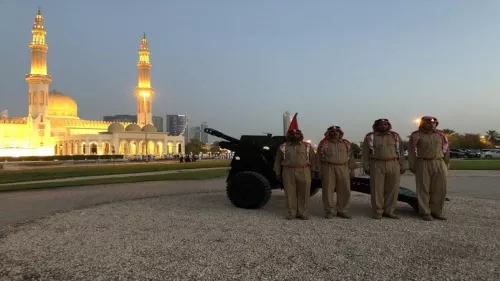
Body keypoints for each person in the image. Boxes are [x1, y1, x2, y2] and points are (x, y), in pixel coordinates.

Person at [273, 113, 316, 220]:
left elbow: (313, 159)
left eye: (297, 133)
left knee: (304, 193)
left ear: (301, 135)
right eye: (292, 133)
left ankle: (303, 212)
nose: (294, 135)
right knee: (290, 193)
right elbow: (278, 161)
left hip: (304, 170)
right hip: (288, 171)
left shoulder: (307, 146)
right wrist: (277, 172)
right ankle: (291, 212)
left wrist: (314, 170)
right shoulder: (283, 147)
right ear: (288, 136)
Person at [408, 116, 450, 221]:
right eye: (429, 123)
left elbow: (446, 150)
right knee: (423, 189)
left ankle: (437, 212)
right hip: (423, 162)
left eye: (434, 123)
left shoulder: (441, 134)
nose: (432, 125)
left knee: (440, 189)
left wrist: (446, 164)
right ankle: (425, 212)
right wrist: (412, 165)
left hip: (439, 162)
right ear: (422, 124)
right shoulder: (416, 135)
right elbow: (412, 151)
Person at [362, 119, 405, 220]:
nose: (383, 126)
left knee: (392, 189)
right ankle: (377, 212)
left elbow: (401, 152)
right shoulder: (370, 137)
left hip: (393, 163)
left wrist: (402, 165)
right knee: (377, 189)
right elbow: (365, 153)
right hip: (377, 163)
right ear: (376, 126)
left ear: (388, 125)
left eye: (385, 124)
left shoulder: (395, 136)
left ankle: (389, 211)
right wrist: (366, 166)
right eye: (380, 124)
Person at [316, 125, 356, 219]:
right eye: (332, 132)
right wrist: (318, 170)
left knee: (345, 190)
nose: (335, 134)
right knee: (328, 190)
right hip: (328, 167)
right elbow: (318, 157)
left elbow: (351, 157)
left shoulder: (346, 143)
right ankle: (329, 211)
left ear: (340, 133)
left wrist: (352, 169)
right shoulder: (324, 143)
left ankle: (342, 210)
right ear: (328, 133)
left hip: (343, 167)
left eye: (337, 132)